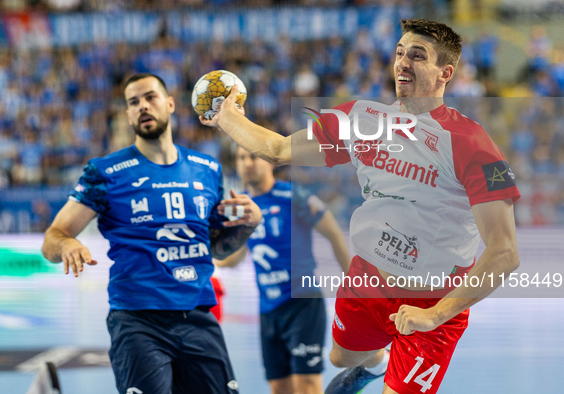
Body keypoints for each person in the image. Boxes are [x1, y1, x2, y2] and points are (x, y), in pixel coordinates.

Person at [201, 19, 521, 394]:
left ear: (445, 73)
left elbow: (505, 252)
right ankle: (375, 364)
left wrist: (434, 314)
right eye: (400, 52)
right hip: (368, 280)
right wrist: (227, 117)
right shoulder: (362, 119)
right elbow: (278, 149)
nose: (403, 61)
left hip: (434, 301)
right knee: (341, 357)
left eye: (417, 56)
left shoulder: (472, 143)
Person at [41, 73, 262, 394]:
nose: (143, 106)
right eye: (134, 102)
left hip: (198, 315)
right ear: (128, 114)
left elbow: (216, 249)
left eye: (150, 97)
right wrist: (66, 243)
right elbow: (52, 238)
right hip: (137, 321)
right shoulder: (105, 172)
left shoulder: (207, 168)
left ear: (170, 104)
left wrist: (247, 226)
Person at [215, 146, 351, 394]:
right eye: (241, 158)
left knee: (307, 386)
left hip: (302, 303)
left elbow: (335, 236)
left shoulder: (293, 196)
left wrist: (356, 289)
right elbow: (232, 260)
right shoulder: (244, 207)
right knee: (279, 388)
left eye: (253, 156)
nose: (247, 163)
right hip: (268, 309)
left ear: (270, 162)